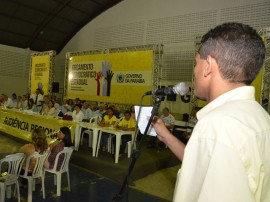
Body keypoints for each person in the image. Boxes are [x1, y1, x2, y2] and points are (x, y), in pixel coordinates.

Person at [152, 22, 270, 202]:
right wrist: (167, 136)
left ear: (208, 65)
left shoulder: (217, 125)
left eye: (196, 62)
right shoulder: (260, 117)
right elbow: (203, 165)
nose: (194, 70)